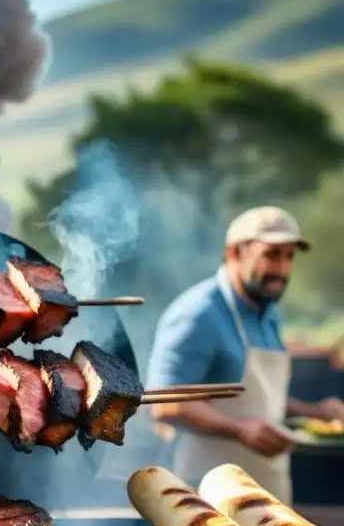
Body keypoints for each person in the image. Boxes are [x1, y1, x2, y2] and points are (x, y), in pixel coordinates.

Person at [146, 206, 344, 504]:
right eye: (271, 255)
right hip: (204, 492)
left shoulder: (270, 315)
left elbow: (261, 398)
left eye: (289, 256)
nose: (282, 269)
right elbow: (164, 401)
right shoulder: (198, 312)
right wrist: (240, 429)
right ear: (234, 254)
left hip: (267, 487)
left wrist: (311, 412)